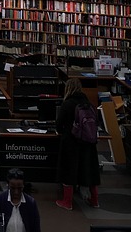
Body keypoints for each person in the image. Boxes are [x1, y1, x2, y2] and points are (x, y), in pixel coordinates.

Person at [55, 78, 101, 210]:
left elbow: (59, 124)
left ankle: (67, 201)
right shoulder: (88, 103)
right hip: (88, 142)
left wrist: (62, 132)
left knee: (68, 170)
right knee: (90, 170)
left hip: (71, 142)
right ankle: (95, 200)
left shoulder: (67, 104)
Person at [0, 167, 41, 232]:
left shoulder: (30, 203)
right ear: (8, 185)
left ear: (23, 186)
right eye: (12, 188)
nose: (16, 192)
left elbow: (36, 229)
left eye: (19, 188)